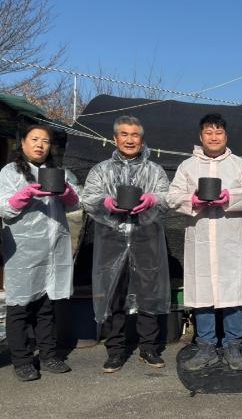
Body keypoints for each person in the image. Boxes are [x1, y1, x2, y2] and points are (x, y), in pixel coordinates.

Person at [80, 115, 172, 373]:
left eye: (135, 135)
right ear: (115, 138)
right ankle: (115, 351)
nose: (130, 140)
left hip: (146, 238)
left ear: (142, 140)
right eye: (124, 134)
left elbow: (168, 197)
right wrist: (105, 202)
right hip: (112, 240)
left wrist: (153, 200)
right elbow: (88, 198)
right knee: (114, 295)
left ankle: (149, 348)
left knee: (148, 295)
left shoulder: (155, 171)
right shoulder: (101, 170)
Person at [168, 113, 242, 371]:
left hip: (229, 239)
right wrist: (193, 201)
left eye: (218, 132)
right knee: (202, 291)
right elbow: (172, 196)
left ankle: (232, 344)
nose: (214, 137)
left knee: (231, 291)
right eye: (209, 132)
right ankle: (206, 344)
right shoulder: (188, 166)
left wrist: (229, 197)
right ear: (201, 136)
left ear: (226, 136)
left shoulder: (239, 165)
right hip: (200, 239)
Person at [0, 125, 80, 381]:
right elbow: (2, 208)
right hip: (23, 250)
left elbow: (76, 203)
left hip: (53, 249)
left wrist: (66, 191)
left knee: (47, 305)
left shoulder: (57, 173)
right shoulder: (10, 172)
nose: (40, 145)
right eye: (35, 139)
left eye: (45, 141)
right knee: (20, 306)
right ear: (23, 144)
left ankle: (49, 354)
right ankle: (21, 360)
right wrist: (26, 193)